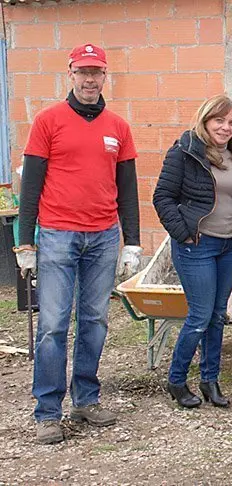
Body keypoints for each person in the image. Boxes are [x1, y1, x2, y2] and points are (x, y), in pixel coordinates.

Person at [14, 44, 141, 444]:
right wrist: (24, 243)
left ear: (105, 77)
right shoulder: (48, 121)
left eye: (97, 72)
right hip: (57, 236)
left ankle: (85, 398)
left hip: (103, 237)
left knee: (95, 322)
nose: (90, 79)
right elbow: (31, 185)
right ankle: (48, 411)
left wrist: (132, 242)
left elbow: (128, 188)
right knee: (52, 325)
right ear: (70, 74)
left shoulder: (118, 127)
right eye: (83, 72)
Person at [153, 95, 232, 409]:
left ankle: (209, 380)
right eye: (220, 120)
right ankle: (176, 379)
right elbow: (162, 197)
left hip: (231, 244)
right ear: (205, 120)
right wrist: (184, 234)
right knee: (199, 316)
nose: (226, 127)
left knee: (217, 315)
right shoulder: (184, 152)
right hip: (197, 245)